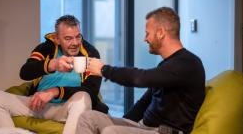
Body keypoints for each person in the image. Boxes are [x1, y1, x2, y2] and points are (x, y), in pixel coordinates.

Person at [76, 7, 205, 134]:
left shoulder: (188, 63)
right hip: (143, 126)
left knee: (111, 131)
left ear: (160, 33)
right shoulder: (166, 65)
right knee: (88, 118)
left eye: (147, 33)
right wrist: (121, 122)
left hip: (165, 132)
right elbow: (144, 102)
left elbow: (140, 78)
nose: (145, 38)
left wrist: (103, 69)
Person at [0, 15, 108, 134]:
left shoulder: (90, 53)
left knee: (83, 97)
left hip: (68, 108)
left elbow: (91, 91)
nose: (75, 43)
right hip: (38, 105)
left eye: (77, 37)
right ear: (57, 39)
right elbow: (25, 72)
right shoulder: (45, 49)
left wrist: (55, 91)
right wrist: (52, 65)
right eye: (68, 38)